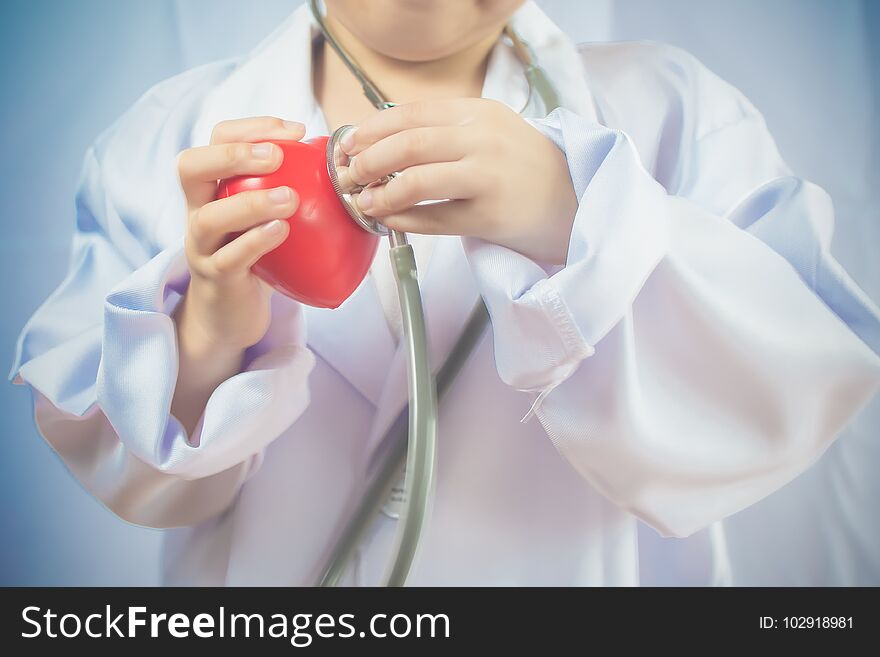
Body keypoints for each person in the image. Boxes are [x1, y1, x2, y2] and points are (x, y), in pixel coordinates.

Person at [10, 0, 880, 586]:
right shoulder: (172, 138)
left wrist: (580, 219)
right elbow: (132, 468)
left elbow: (804, 374)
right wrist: (205, 332)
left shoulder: (676, 114)